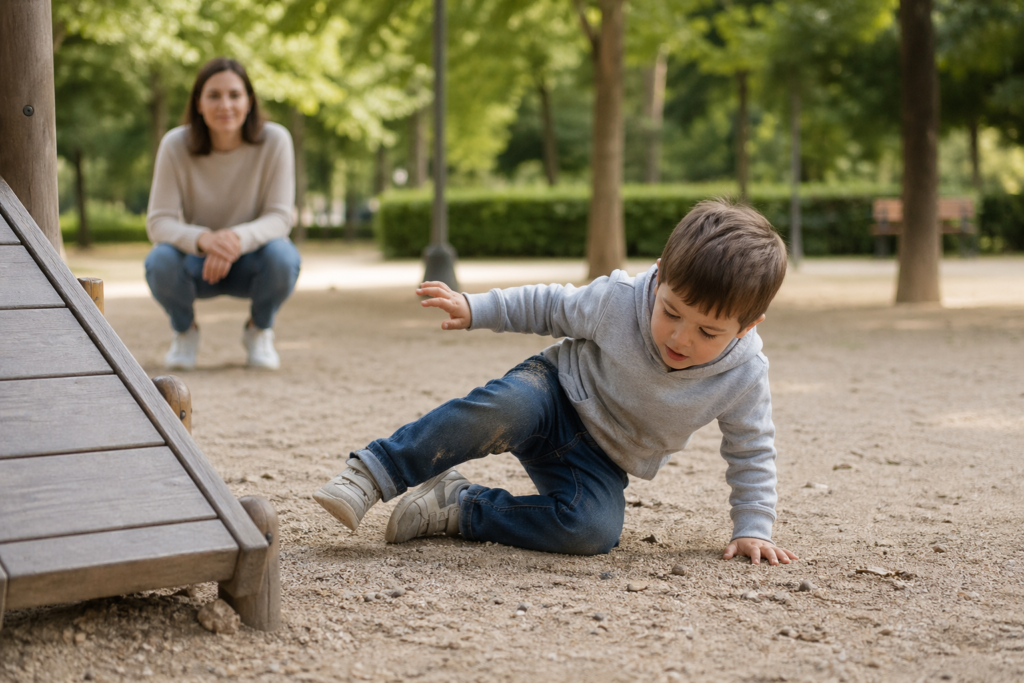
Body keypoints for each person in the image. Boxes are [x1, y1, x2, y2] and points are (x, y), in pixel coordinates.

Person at [313, 199, 798, 565]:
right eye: (670, 310)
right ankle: (376, 470)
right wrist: (477, 308)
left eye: (708, 332)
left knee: (591, 531)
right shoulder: (621, 299)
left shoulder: (744, 374)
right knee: (503, 408)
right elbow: (549, 304)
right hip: (553, 395)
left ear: (747, 325)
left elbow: (752, 448)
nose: (679, 335)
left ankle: (459, 506)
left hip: (604, 459)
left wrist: (754, 526)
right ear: (659, 274)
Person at [145, 57, 301, 370]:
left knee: (284, 257)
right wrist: (204, 240)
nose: (225, 105)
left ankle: (258, 330)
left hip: (254, 261)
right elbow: (158, 222)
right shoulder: (175, 144)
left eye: (234, 95)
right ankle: (185, 331)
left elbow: (281, 216)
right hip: (197, 265)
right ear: (199, 104)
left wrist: (234, 240)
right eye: (213, 95)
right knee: (159, 260)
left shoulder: (276, 140)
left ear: (249, 101)